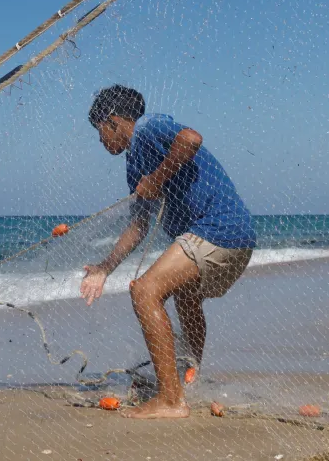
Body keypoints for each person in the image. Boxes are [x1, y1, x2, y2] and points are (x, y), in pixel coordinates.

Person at [81, 85, 256, 420]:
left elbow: (190, 139)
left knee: (146, 292)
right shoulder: (134, 165)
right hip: (237, 238)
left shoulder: (149, 127)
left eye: (100, 131)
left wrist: (158, 178)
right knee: (185, 296)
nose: (101, 140)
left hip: (218, 229)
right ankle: (189, 377)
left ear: (114, 122)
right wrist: (105, 268)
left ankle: (171, 400)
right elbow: (138, 226)